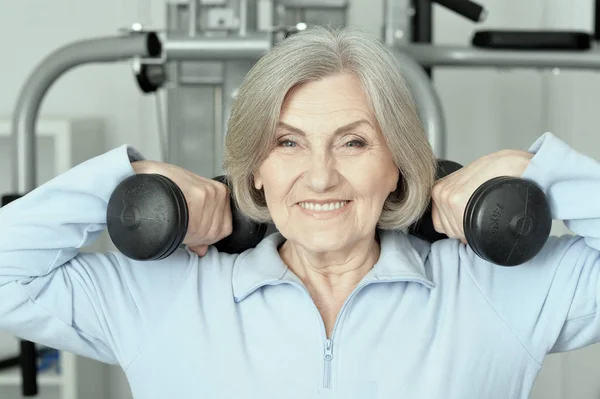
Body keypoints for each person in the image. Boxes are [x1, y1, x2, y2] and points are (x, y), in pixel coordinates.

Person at [0, 26, 599, 399]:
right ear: (253, 170)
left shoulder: (497, 290)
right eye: (287, 143)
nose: (319, 175)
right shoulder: (164, 297)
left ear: (401, 164)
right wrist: (129, 180)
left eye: (355, 142)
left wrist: (535, 171)